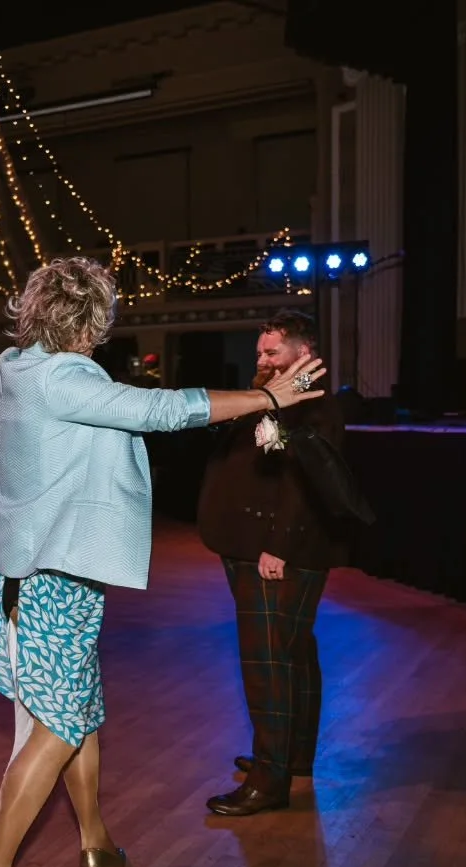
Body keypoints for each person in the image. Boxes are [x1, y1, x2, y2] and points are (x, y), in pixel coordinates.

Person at [0, 257, 327, 867]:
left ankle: (94, 840)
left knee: (81, 709)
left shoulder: (16, 365)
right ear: (95, 320)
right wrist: (268, 399)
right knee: (60, 728)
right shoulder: (63, 378)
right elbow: (160, 409)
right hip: (45, 576)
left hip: (51, 568)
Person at [196, 310, 356, 816]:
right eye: (260, 351)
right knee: (292, 653)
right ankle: (292, 758)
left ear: (303, 354)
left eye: (272, 352)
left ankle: (269, 781)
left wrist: (279, 546)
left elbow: (304, 482)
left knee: (267, 661)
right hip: (255, 546)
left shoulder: (309, 400)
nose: (261, 359)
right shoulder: (274, 394)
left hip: (276, 553)